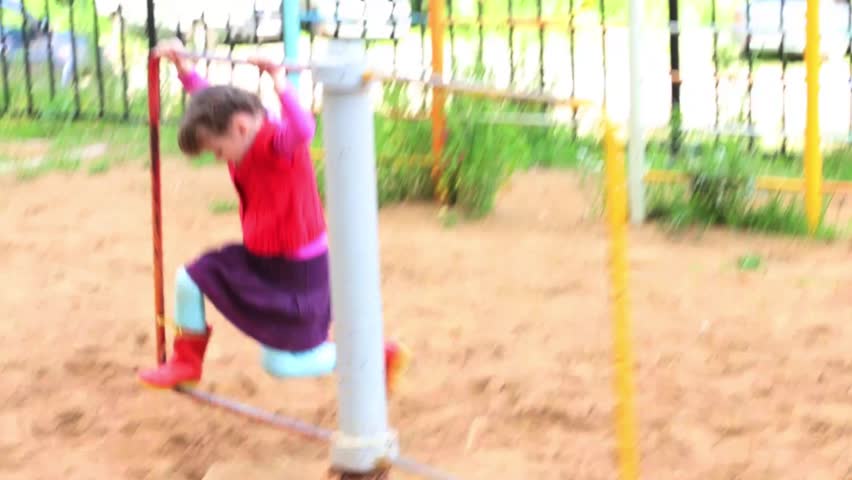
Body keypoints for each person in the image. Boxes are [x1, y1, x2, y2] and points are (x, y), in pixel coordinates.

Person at [138, 39, 410, 395]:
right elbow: (210, 101)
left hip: (299, 272)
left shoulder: (278, 144)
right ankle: (187, 360)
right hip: (261, 258)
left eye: (218, 151)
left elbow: (304, 130)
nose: (220, 159)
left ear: (240, 127)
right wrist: (185, 70)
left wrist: (278, 80)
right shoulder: (242, 133)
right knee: (190, 278)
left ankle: (372, 355)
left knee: (280, 363)